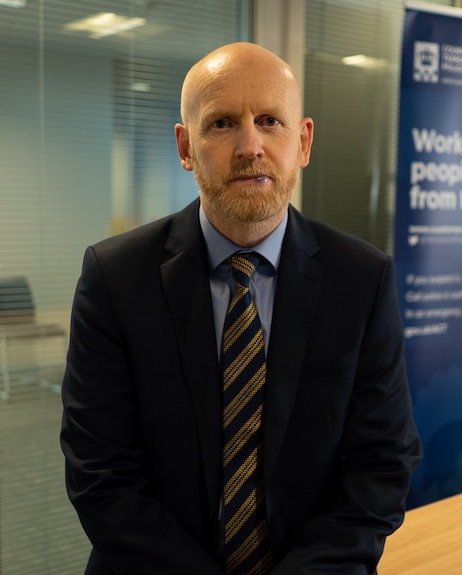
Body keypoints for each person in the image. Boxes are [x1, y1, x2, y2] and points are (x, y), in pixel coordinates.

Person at [60, 41, 421, 575]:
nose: (250, 145)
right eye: (223, 123)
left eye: (270, 121)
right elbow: (101, 474)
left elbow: (380, 466)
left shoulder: (362, 279)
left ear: (303, 141)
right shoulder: (115, 277)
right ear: (186, 147)